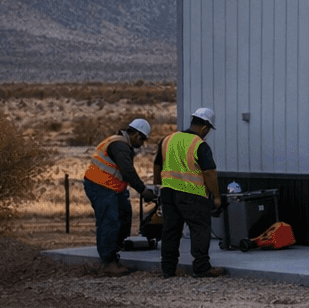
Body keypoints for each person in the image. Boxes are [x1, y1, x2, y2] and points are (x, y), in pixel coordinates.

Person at [153, 107, 227, 279]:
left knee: (170, 230)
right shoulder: (200, 145)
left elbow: (157, 164)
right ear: (205, 128)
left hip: (168, 192)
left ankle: (168, 269)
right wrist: (216, 196)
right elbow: (209, 173)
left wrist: (159, 184)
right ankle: (201, 268)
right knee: (199, 229)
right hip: (192, 194)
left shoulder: (168, 139)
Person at [81, 117, 153, 275]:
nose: (142, 144)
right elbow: (127, 171)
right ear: (135, 134)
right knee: (109, 220)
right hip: (100, 186)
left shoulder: (120, 144)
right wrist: (143, 190)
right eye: (142, 139)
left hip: (112, 187)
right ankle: (108, 262)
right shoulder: (120, 145)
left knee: (124, 214)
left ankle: (114, 253)